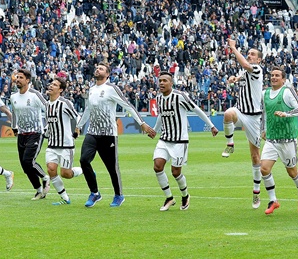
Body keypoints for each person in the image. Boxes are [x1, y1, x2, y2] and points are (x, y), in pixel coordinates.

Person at [77, 62, 156, 208]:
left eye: (101, 68)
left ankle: (119, 195)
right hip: (93, 132)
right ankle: (94, 193)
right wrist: (79, 126)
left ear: (107, 74)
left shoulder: (112, 89)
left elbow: (128, 105)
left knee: (112, 167)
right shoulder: (92, 89)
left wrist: (142, 123)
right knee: (83, 160)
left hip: (108, 134)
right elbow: (88, 109)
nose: (97, 69)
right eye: (97, 67)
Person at [153, 71, 219, 211]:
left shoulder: (180, 96)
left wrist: (212, 125)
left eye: (165, 80)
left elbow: (196, 109)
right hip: (164, 139)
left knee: (175, 172)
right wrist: (155, 129)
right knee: (157, 166)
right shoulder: (159, 98)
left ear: (171, 83)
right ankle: (169, 198)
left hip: (179, 140)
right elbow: (161, 115)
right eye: (160, 81)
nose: (162, 83)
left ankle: (185, 195)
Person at [221, 38, 266, 209]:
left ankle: (256, 193)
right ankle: (230, 143)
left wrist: (233, 48)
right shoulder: (247, 73)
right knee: (228, 113)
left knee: (255, 156)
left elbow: (247, 67)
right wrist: (234, 79)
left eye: (253, 54)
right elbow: (242, 74)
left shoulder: (257, 69)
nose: (250, 56)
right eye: (249, 54)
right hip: (241, 112)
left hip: (254, 118)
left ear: (259, 60)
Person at [258, 66, 298, 215]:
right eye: (272, 75)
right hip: (272, 139)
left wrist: (286, 114)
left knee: (292, 172)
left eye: (277, 75)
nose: (273, 77)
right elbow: (263, 113)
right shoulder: (264, 93)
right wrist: (262, 129)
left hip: (288, 139)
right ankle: (273, 200)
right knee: (264, 168)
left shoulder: (287, 91)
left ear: (283, 79)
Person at [10, 69, 50, 200]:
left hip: (36, 132)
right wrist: (14, 127)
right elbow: (14, 113)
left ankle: (45, 177)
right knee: (24, 165)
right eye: (17, 77)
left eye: (21, 77)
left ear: (27, 80)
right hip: (22, 133)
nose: (17, 79)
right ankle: (39, 190)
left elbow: (48, 108)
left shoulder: (35, 95)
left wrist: (48, 125)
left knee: (29, 161)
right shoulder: (13, 97)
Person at [45, 76, 85, 205]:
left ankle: (84, 170)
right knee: (51, 169)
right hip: (52, 144)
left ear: (60, 90)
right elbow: (50, 122)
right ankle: (65, 198)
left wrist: (77, 129)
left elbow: (76, 117)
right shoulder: (47, 104)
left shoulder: (64, 103)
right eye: (51, 84)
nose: (51, 86)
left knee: (66, 173)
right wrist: (46, 131)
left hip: (66, 145)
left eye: (55, 85)